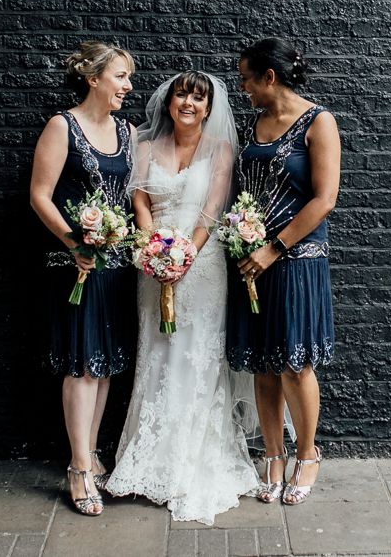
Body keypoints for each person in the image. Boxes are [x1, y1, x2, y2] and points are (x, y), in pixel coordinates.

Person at [106, 71, 259, 525]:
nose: (188, 102)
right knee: (157, 350)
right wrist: (154, 248)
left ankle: (194, 458)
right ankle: (152, 458)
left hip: (202, 262)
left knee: (196, 353)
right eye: (181, 94)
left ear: (209, 108)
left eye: (198, 97)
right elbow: (139, 200)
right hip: (152, 260)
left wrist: (186, 252)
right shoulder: (145, 146)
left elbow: (212, 209)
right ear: (169, 100)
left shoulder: (220, 150)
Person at [226, 37, 340, 505]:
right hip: (251, 259)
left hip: (294, 260)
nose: (243, 89)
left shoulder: (319, 121)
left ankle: (307, 454)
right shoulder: (256, 123)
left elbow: (324, 198)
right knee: (262, 364)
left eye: (246, 80)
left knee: (295, 365)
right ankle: (273, 456)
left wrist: (274, 247)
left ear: (268, 77)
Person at [29, 40, 137, 516]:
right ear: (93, 79)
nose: (127, 87)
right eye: (120, 77)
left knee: (107, 363)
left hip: (116, 267)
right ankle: (77, 468)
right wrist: (75, 243)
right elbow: (40, 195)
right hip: (77, 265)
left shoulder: (129, 131)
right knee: (81, 363)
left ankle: (92, 455)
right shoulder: (62, 126)